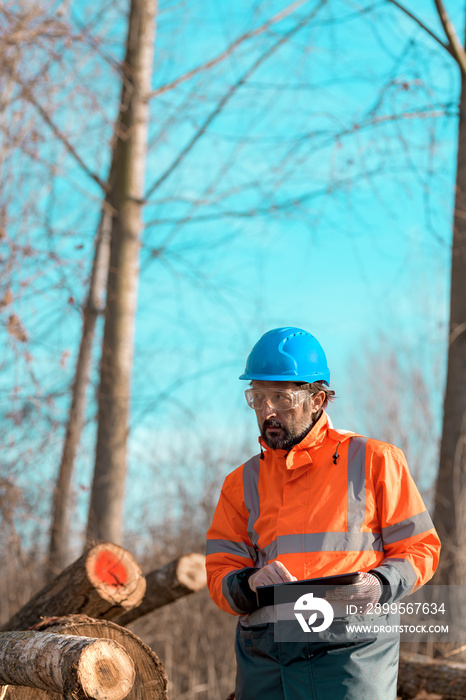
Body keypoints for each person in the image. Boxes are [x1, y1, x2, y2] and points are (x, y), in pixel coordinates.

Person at [206, 326, 441, 700]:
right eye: (258, 397)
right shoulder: (241, 482)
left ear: (317, 400)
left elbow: (421, 549)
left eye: (281, 398)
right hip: (266, 664)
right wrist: (249, 583)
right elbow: (219, 574)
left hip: (351, 659)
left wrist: (380, 584)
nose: (268, 411)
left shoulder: (375, 461)